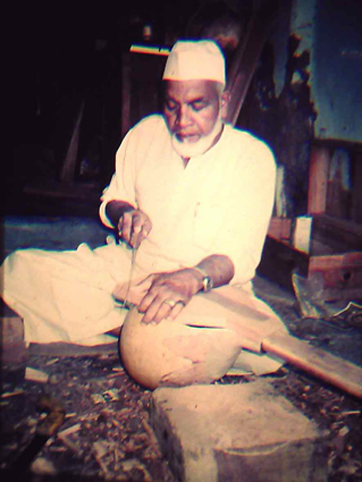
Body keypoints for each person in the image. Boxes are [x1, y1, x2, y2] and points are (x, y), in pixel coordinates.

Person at [1, 40, 285, 385]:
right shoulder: (145, 134)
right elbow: (112, 198)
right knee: (18, 271)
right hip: (133, 267)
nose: (182, 120)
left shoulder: (252, 158)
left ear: (223, 102)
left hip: (208, 290)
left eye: (198, 106)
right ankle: (125, 317)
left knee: (166, 356)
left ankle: (121, 322)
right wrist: (125, 213)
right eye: (171, 106)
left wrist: (191, 278)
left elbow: (240, 256)